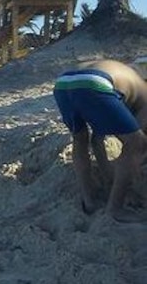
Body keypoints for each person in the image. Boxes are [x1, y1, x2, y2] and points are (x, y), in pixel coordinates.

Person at [53, 59, 147, 222]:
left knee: (80, 139)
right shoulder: (144, 95)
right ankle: (115, 208)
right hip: (95, 82)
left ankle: (89, 200)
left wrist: (109, 177)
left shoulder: (127, 82)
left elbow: (98, 140)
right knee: (137, 143)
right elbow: (138, 141)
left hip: (63, 82)